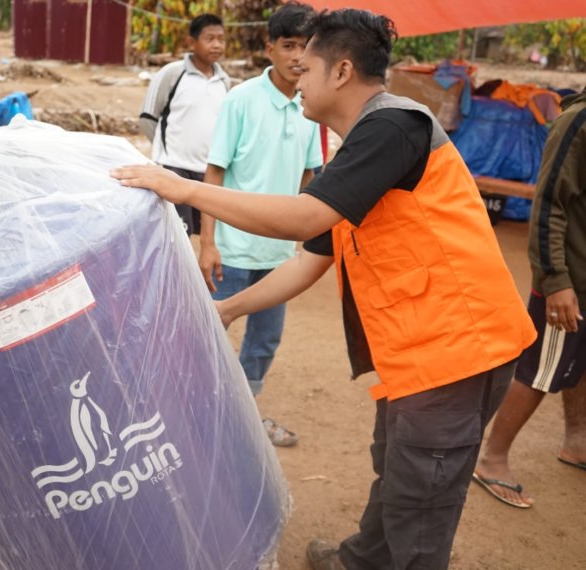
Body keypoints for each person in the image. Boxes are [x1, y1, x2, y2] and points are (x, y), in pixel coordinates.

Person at [112, 8, 536, 570]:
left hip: (456, 351)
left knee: (422, 497)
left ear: (341, 71)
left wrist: (183, 190)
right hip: (419, 351)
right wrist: (229, 308)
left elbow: (303, 218)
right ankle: (361, 560)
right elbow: (312, 257)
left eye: (306, 66)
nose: (297, 76)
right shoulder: (365, 144)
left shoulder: (394, 126)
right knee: (398, 467)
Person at [202, 3, 322, 447]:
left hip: (279, 254)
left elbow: (310, 177)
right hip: (232, 248)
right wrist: (208, 243)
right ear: (269, 48)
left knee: (265, 339)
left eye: (306, 46)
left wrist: (305, 241)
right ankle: (196, 413)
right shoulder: (241, 100)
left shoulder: (312, 106)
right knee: (211, 332)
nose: (297, 56)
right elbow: (214, 173)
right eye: (288, 45)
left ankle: (243, 417)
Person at [473, 87, 586, 509]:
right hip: (571, 279)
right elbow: (549, 202)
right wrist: (556, 281)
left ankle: (577, 441)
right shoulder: (577, 121)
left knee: (580, 363)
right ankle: (492, 458)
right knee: (539, 369)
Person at [139, 13, 229, 235]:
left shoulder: (224, 81)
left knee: (204, 233)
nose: (217, 45)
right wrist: (167, 152)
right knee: (177, 234)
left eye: (221, 39)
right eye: (210, 39)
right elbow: (148, 118)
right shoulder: (172, 73)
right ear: (192, 42)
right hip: (174, 169)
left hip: (207, 172)